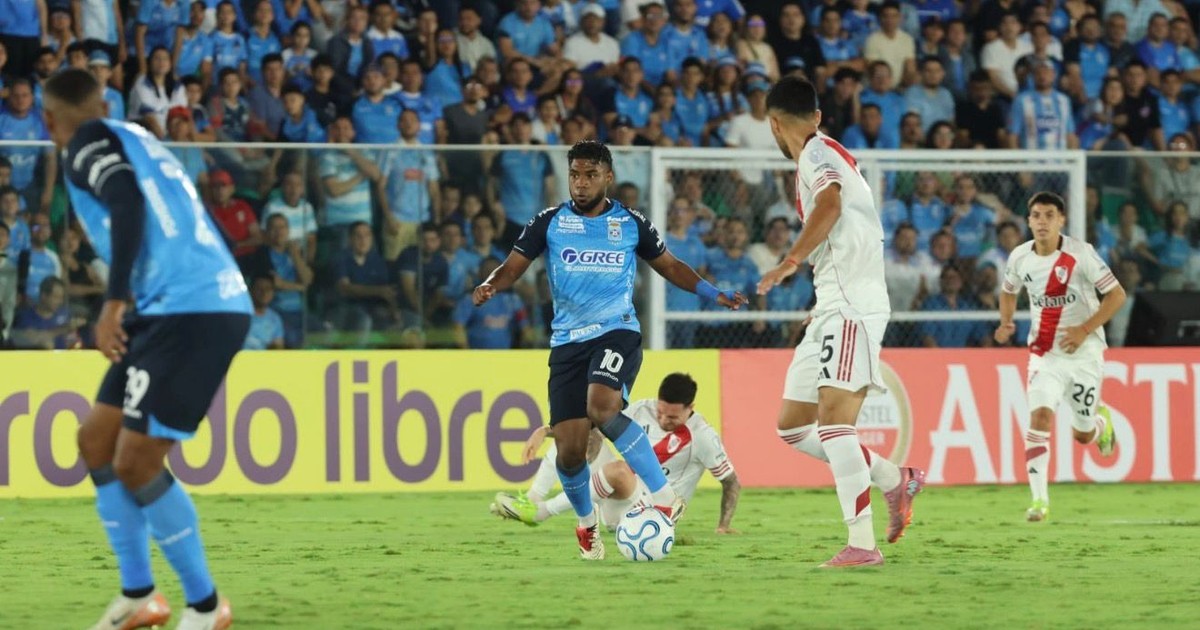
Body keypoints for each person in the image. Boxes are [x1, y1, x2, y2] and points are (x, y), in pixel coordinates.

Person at [472, 140, 747, 560]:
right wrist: (492, 282)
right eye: (575, 175)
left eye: (590, 175)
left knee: (602, 407)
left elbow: (669, 264)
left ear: (607, 177)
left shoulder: (631, 223)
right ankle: (586, 526)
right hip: (567, 342)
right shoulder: (549, 221)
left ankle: (662, 496)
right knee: (569, 451)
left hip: (616, 332)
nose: (581, 184)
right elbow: (513, 265)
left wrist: (713, 292)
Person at [48, 68, 247, 628]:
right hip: (168, 305)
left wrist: (112, 304)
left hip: (191, 308)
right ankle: (140, 596)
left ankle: (207, 607)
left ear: (49, 121)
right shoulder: (137, 135)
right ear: (105, 100)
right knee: (96, 440)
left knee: (136, 462)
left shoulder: (84, 141)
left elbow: (128, 202)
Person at [756, 76, 926, 568]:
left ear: (773, 124)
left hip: (851, 304)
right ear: (815, 114)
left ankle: (862, 545)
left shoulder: (814, 154)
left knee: (834, 426)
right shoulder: (823, 149)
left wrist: (789, 261)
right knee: (792, 427)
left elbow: (829, 203)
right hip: (831, 302)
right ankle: (895, 479)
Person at [994, 191, 1126, 522]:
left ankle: (1100, 425)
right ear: (1028, 221)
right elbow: (1008, 291)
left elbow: (1117, 295)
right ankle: (1039, 501)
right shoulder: (1020, 258)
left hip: (1084, 354)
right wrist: (1006, 322)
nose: (1042, 222)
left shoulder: (1081, 254)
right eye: (1036, 215)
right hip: (1044, 354)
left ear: (1061, 220)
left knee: (1082, 435)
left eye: (1049, 215)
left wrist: (1084, 329)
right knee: (1039, 418)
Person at [492, 373, 741, 533]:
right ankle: (533, 499)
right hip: (619, 495)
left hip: (656, 512)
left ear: (691, 408)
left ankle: (541, 512)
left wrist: (723, 525)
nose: (664, 420)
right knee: (576, 436)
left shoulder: (703, 436)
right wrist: (543, 431)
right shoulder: (642, 409)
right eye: (661, 412)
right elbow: (594, 425)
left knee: (620, 471)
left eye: (672, 417)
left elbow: (730, 481)